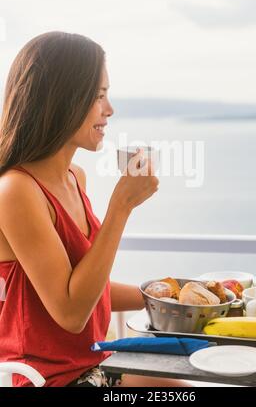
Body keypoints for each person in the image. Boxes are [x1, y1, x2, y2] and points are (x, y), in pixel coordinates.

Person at [0, 32, 190, 387]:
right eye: (99, 96)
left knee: (177, 384)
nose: (110, 109)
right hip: (49, 380)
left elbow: (88, 287)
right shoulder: (16, 190)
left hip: (94, 367)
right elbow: (71, 312)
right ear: (62, 100)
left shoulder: (75, 177)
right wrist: (120, 208)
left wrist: (173, 295)